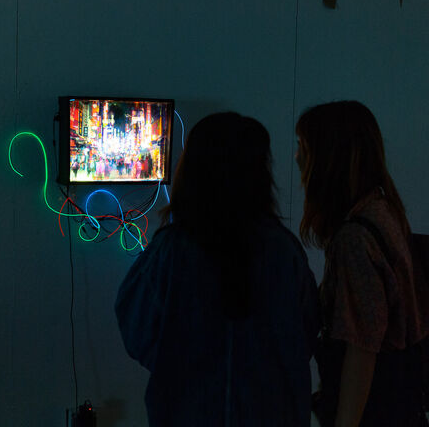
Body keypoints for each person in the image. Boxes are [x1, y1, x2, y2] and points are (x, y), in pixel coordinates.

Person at [116, 112, 320, 426]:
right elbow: (305, 332)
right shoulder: (283, 249)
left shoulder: (169, 251)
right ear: (260, 173)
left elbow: (136, 328)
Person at [294, 101, 429, 427]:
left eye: (303, 146)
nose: (298, 157)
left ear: (329, 157)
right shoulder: (382, 210)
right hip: (403, 408)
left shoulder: (354, 237)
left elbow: (362, 349)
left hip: (376, 412)